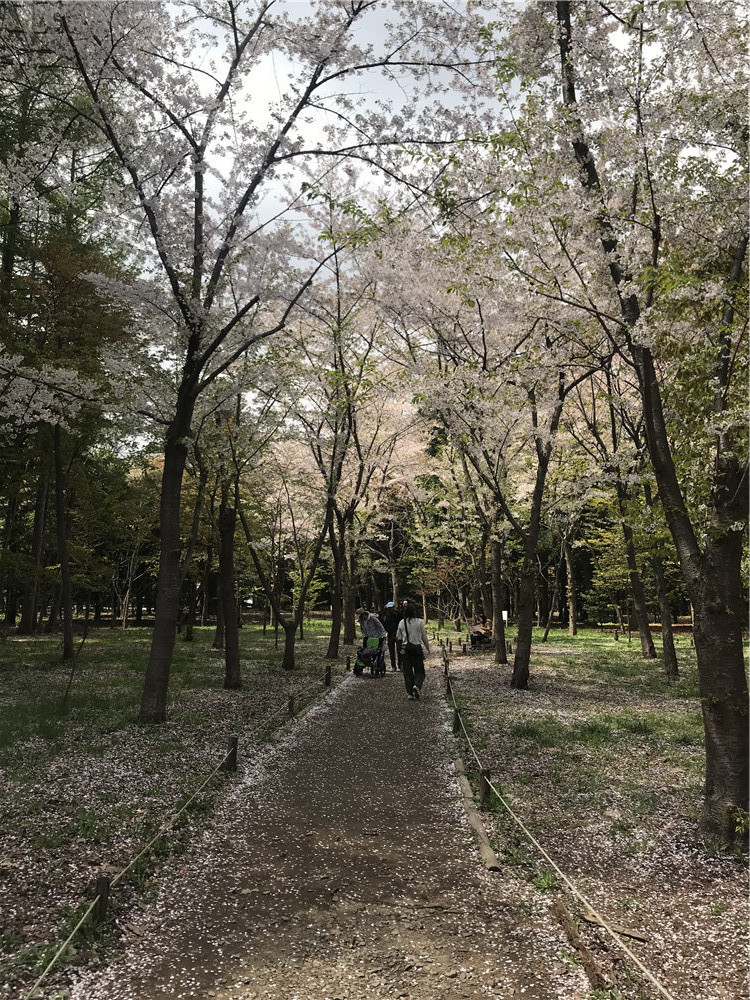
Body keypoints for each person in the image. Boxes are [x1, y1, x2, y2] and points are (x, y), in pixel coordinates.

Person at [396, 601, 430, 700]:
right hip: (417, 648)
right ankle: (417, 685)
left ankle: (410, 693)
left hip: (405, 649)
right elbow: (424, 636)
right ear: (414, 612)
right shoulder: (419, 622)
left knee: (407, 672)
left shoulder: (402, 622)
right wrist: (427, 648)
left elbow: (398, 636)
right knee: (419, 670)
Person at [380, 601, 402, 671]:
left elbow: (401, 623)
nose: (390, 609)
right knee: (391, 651)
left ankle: (400, 665)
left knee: (399, 650)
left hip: (398, 634)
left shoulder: (398, 614)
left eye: (391, 607)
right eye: (389, 608)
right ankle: (393, 666)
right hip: (390, 634)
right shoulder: (386, 615)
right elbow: (384, 624)